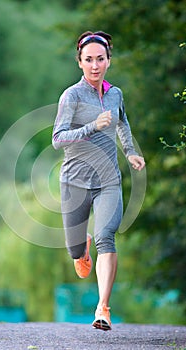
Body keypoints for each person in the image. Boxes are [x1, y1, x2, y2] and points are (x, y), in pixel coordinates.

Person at [52, 30, 145, 331]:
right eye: (89, 60)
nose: (95, 65)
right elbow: (57, 139)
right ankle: (82, 248)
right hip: (75, 182)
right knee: (75, 252)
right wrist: (92, 125)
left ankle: (102, 308)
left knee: (107, 236)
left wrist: (130, 152)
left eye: (100, 59)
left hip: (108, 180)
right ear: (79, 62)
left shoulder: (115, 93)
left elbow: (123, 121)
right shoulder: (72, 96)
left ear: (109, 61)